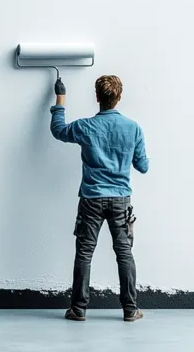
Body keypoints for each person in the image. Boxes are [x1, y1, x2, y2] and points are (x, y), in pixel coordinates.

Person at [50, 74, 148, 322]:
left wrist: (60, 98)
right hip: (120, 200)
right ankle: (130, 310)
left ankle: (78, 310)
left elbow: (58, 130)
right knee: (124, 253)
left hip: (91, 199)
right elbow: (143, 166)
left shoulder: (85, 127)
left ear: (97, 98)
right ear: (119, 97)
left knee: (84, 253)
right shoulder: (133, 128)